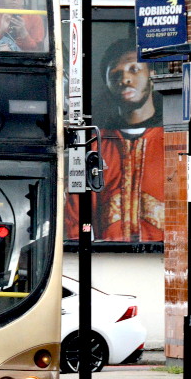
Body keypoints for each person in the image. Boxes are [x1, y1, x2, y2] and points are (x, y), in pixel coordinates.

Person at [64, 39, 164, 242]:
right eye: (115, 74)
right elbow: (75, 220)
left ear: (151, 74)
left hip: (165, 262)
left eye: (134, 69)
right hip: (108, 263)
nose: (125, 79)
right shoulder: (91, 146)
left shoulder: (175, 142)